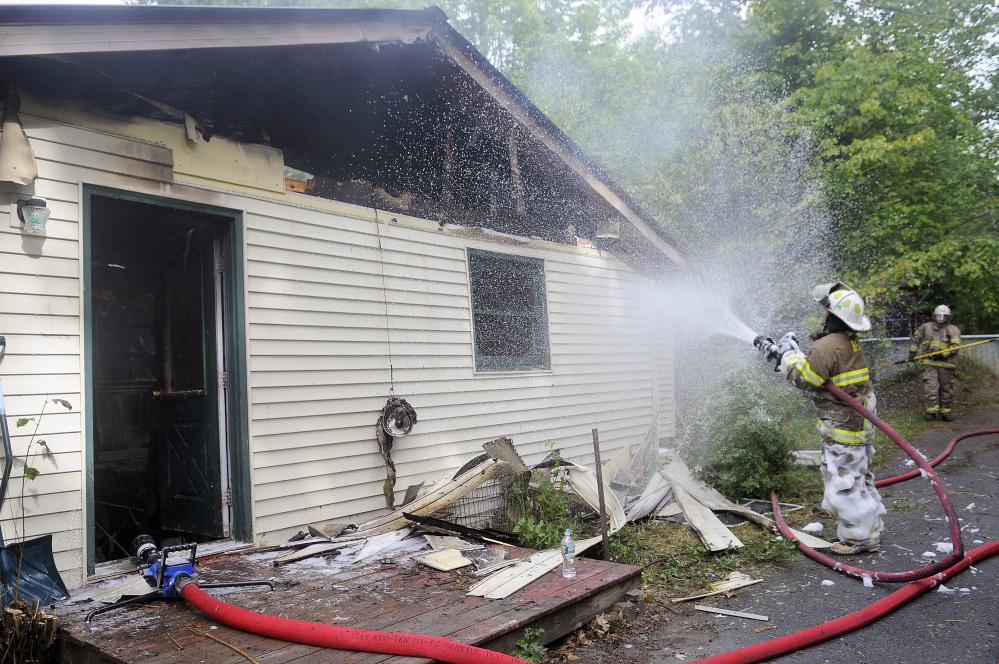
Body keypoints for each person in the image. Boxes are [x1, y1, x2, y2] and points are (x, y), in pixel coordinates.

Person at [772, 282, 885, 555]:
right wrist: (790, 354)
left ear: (833, 316)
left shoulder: (826, 346)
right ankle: (870, 531)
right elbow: (820, 370)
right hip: (859, 423)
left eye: (826, 311)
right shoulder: (846, 342)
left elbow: (806, 379)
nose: (822, 315)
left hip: (843, 426)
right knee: (861, 478)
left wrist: (786, 354)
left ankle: (858, 539)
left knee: (844, 483)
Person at [908, 305, 962, 421]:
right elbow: (916, 338)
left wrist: (942, 354)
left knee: (946, 388)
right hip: (929, 363)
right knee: (930, 387)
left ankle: (945, 412)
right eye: (938, 316)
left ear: (948, 317)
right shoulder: (926, 327)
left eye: (943, 316)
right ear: (934, 316)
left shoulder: (953, 330)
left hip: (947, 364)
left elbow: (955, 347)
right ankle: (931, 412)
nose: (941, 318)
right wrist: (912, 353)